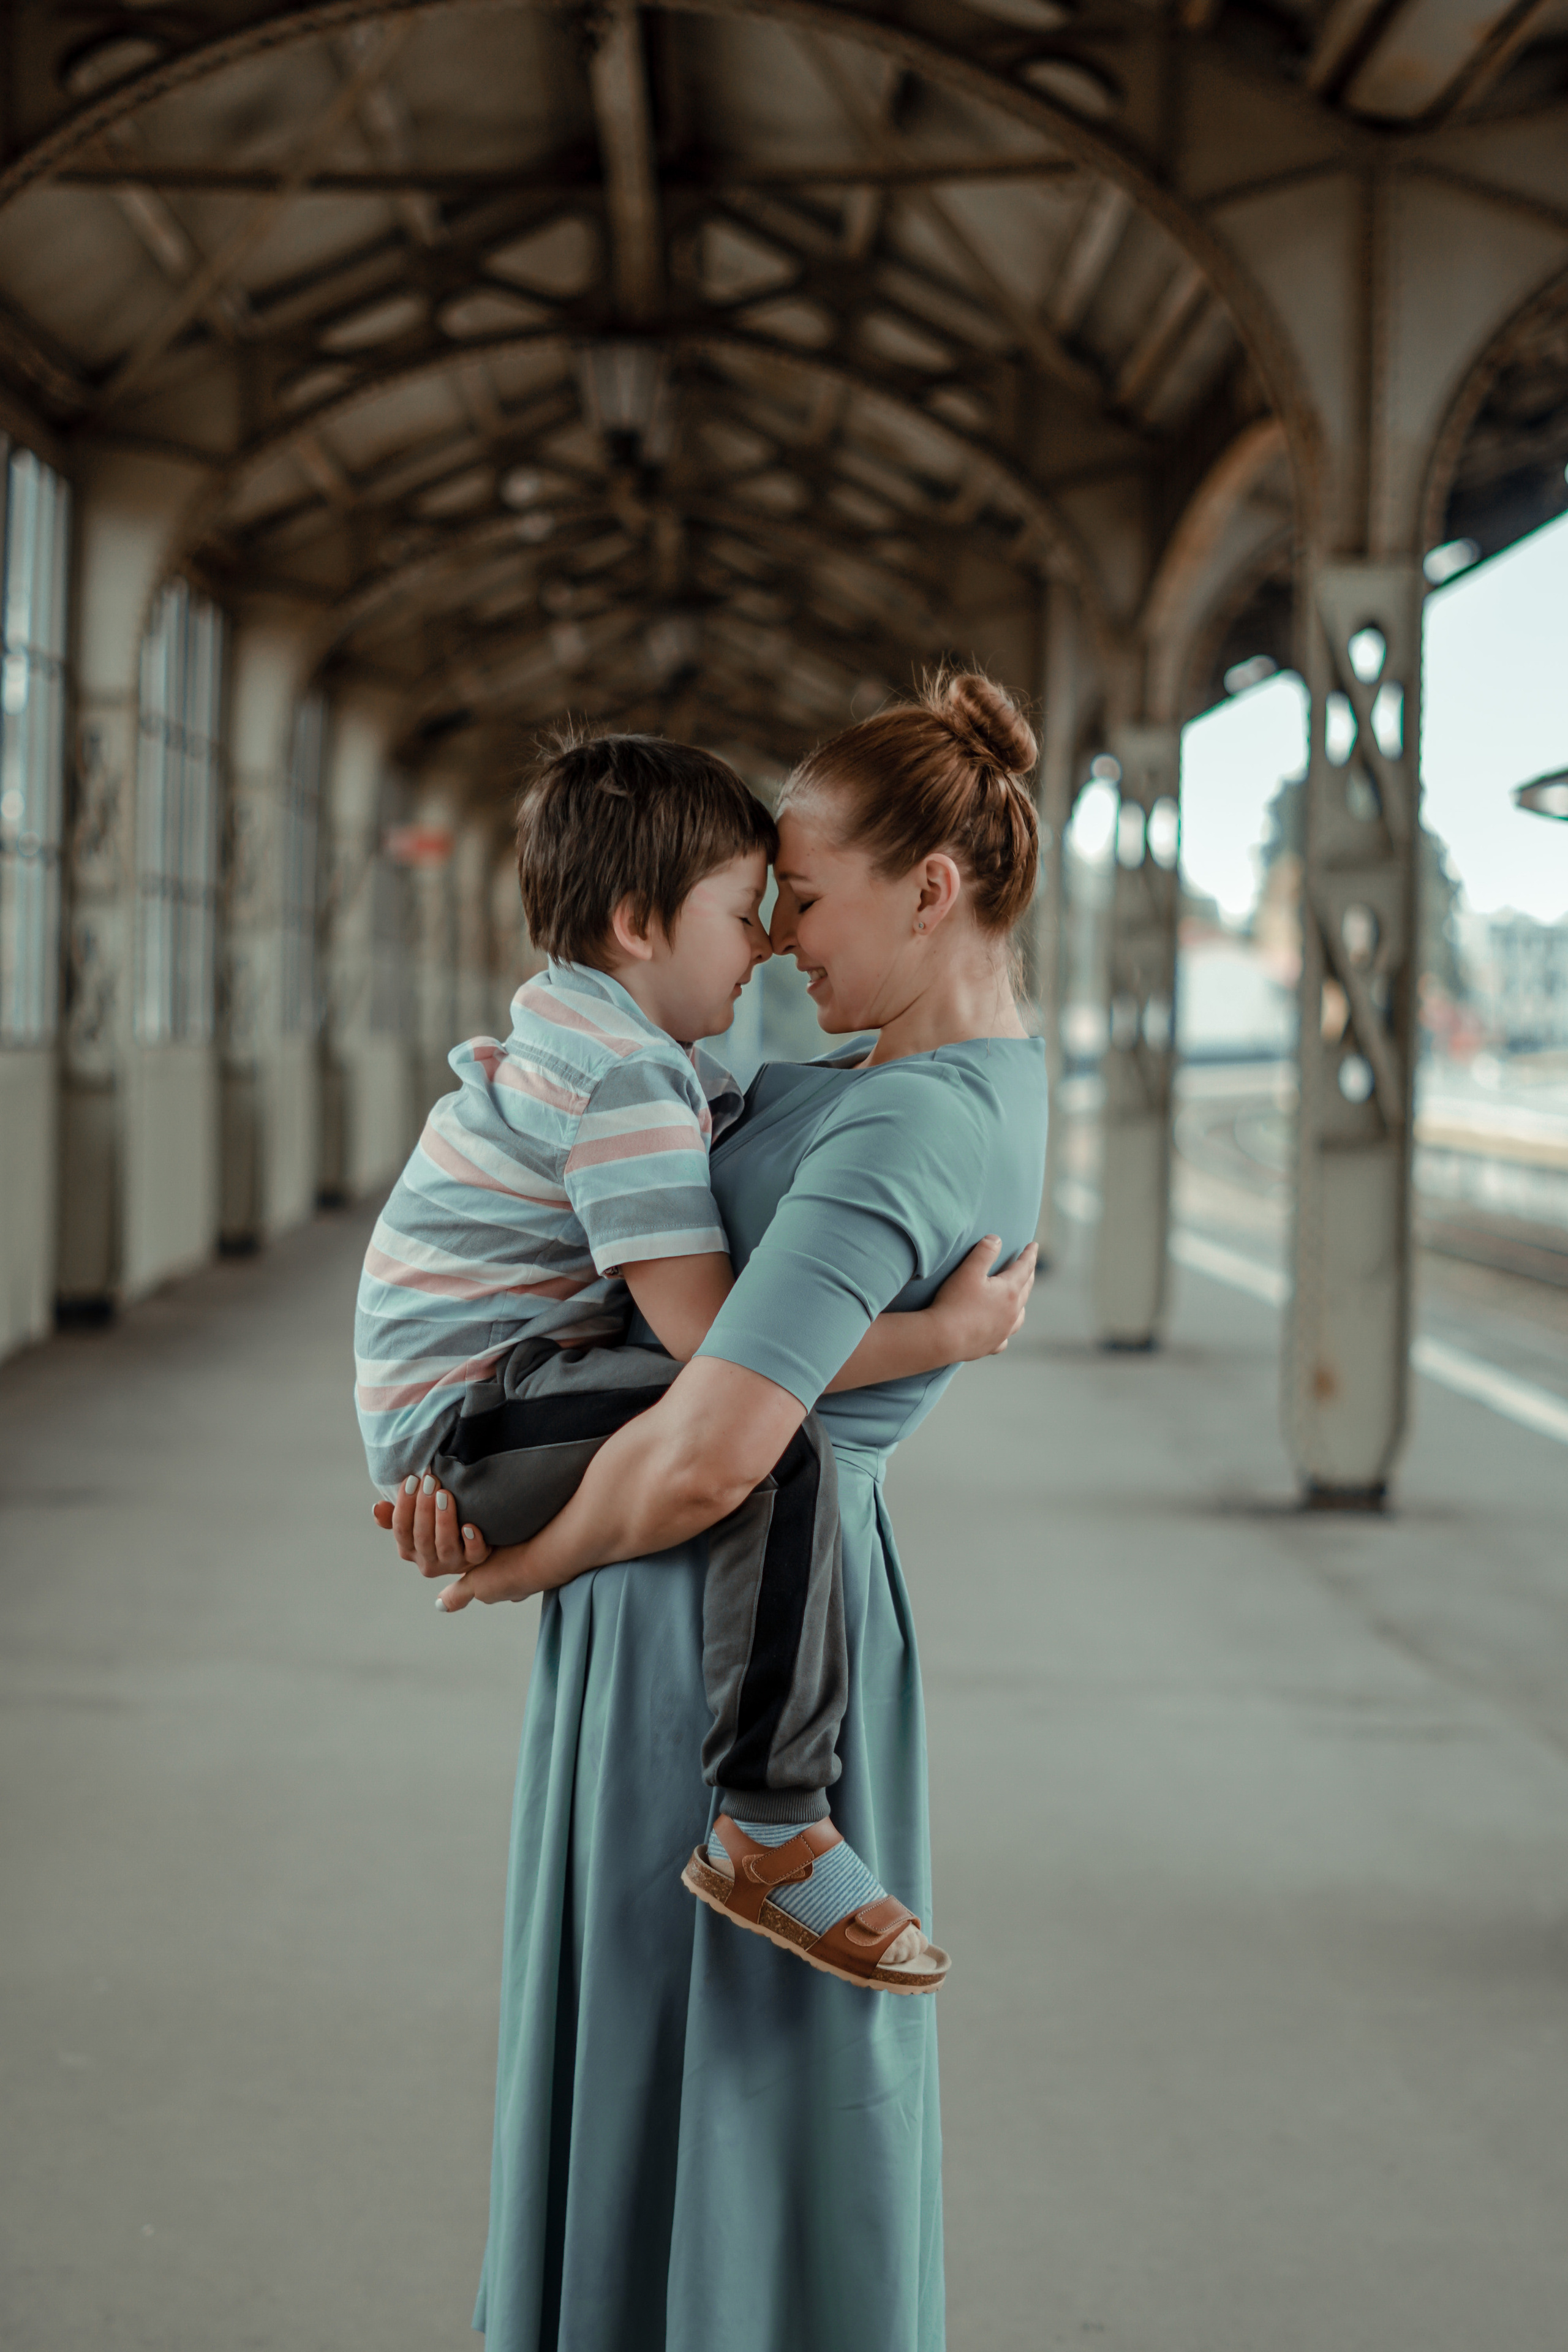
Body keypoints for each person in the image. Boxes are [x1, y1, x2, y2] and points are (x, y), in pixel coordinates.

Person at [380, 668, 1049, 2352]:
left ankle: (768, 1832)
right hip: (709, 1596)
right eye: (766, 907)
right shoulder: (879, 1081)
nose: (777, 946)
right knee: (703, 2075)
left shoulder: (901, 1116)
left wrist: (515, 1563)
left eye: (803, 905)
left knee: (699, 2072)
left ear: (935, 889)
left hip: (712, 1626)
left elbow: (714, 1445)